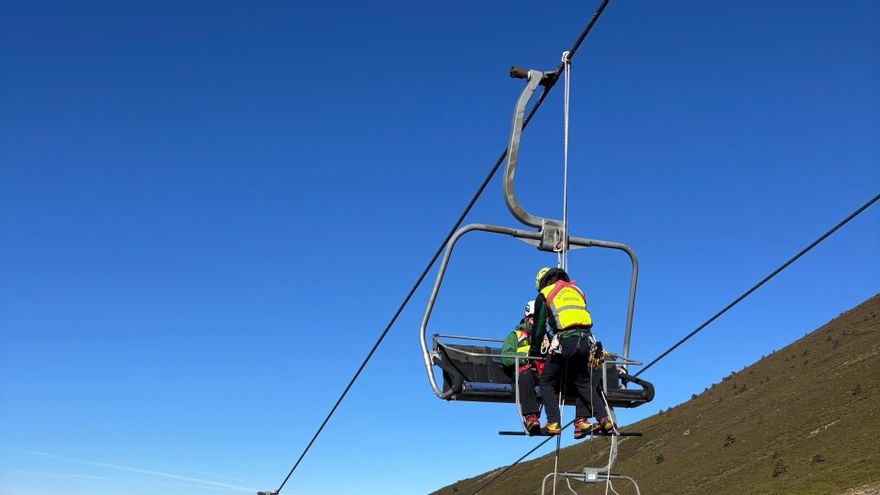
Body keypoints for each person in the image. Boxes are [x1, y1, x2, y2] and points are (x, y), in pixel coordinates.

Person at [529, 267, 614, 439]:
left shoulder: (545, 293)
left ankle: (553, 421)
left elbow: (538, 328)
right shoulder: (577, 291)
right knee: (582, 382)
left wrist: (534, 350)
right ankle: (604, 420)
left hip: (566, 341)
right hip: (585, 342)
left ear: (542, 283)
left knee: (546, 381)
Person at [501, 300, 542, 435]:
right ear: (527, 318)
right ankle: (530, 417)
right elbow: (506, 357)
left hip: (543, 373)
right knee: (526, 376)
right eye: (535, 318)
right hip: (525, 371)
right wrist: (525, 357)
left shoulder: (546, 337)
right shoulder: (515, 336)